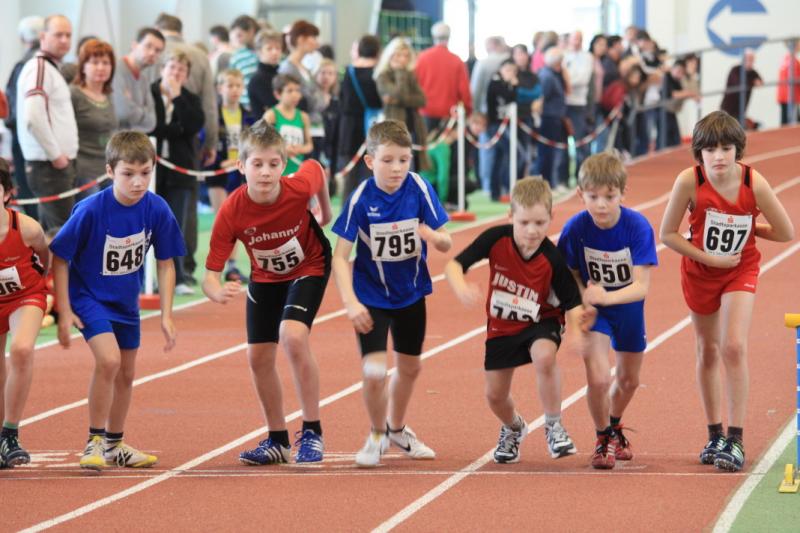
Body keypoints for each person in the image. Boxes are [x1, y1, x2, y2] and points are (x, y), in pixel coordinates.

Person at [659, 111, 795, 472]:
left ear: (738, 150)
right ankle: (714, 433)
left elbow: (786, 232)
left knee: (733, 346)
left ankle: (736, 439)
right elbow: (667, 234)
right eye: (710, 150)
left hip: (739, 268)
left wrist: (750, 227)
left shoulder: (753, 182)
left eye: (726, 148)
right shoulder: (689, 181)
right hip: (700, 271)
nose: (718, 156)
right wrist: (708, 258)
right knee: (707, 350)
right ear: (699, 153)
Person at [50, 131, 185, 472]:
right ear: (110, 171)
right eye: (128, 174)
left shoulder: (156, 208)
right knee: (109, 361)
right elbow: (60, 257)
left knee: (126, 373)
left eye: (145, 173)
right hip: (88, 296)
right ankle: (94, 440)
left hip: (126, 300)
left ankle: (114, 443)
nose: (138, 182)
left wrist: (167, 315)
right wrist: (64, 309)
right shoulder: (91, 210)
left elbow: (166, 263)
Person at [203, 119, 332, 465]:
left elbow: (316, 168)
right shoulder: (232, 210)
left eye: (273, 164)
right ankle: (278, 441)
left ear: (284, 164)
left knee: (292, 336)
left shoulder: (298, 188)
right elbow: (210, 275)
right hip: (265, 277)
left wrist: (326, 211)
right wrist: (215, 291)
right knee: (258, 357)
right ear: (241, 166)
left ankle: (312, 431)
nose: (265, 172)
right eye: (257, 164)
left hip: (309, 265)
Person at [331, 119, 452, 467]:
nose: (397, 168)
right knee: (374, 371)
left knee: (410, 368)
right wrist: (350, 303)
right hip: (371, 297)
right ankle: (376, 434)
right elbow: (340, 257)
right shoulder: (360, 198)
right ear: (370, 161)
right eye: (388, 160)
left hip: (411, 294)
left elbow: (446, 241)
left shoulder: (419, 187)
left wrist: (433, 236)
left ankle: (396, 428)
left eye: (403, 159)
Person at [445, 177, 581, 464]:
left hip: (541, 319)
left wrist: (577, 334)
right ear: (510, 216)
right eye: (524, 222)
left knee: (544, 357)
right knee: (495, 396)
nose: (532, 231)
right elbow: (455, 265)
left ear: (551, 218)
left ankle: (554, 426)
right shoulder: (496, 239)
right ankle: (513, 427)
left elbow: (573, 302)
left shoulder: (551, 258)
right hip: (502, 326)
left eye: (540, 223)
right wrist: (461, 287)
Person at [556, 153, 657, 469]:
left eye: (609, 197)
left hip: (628, 311)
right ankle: (602, 438)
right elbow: (569, 273)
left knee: (628, 380)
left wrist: (605, 296)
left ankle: (614, 425)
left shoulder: (637, 227)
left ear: (623, 193)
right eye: (593, 197)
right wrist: (584, 299)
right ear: (580, 194)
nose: (601, 205)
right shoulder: (575, 228)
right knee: (599, 380)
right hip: (596, 315)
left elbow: (641, 286)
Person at [0, 158, 50, 469]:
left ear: (7, 194)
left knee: (20, 349)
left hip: (25, 295)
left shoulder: (27, 228)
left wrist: (45, 285)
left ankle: (10, 434)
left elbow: (44, 255)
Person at [16, 14, 78, 232]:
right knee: (64, 234)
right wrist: (56, 156)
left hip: (54, 166)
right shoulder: (39, 68)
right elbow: (33, 117)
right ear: (43, 36)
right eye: (58, 34)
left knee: (53, 234)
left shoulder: (50, 68)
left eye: (68, 35)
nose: (64, 40)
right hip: (49, 167)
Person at [150, 50, 205, 296]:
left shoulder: (190, 99)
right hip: (152, 170)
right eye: (172, 67)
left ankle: (178, 277)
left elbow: (193, 125)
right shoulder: (150, 92)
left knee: (175, 224)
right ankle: (146, 279)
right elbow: (151, 126)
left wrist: (177, 98)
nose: (175, 73)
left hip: (180, 171)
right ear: (162, 69)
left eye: (181, 70)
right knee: (147, 224)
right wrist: (175, 129)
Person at [210, 69, 254, 283]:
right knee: (222, 220)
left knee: (236, 221)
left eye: (238, 86)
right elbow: (206, 142)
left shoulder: (247, 115)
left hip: (239, 173)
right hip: (218, 173)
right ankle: (215, 266)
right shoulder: (214, 114)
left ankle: (232, 266)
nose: (234, 90)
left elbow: (252, 143)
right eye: (230, 85)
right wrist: (221, 161)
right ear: (220, 88)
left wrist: (241, 161)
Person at [4, 16, 44, 219]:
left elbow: (10, 110)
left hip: (24, 139)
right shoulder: (47, 64)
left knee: (28, 189)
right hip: (42, 141)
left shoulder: (24, 65)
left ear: (22, 38)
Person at [71, 39, 119, 199]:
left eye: (106, 63)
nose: (101, 67)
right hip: (83, 170)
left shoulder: (108, 95)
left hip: (107, 167)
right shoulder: (74, 94)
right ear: (83, 66)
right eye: (95, 62)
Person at [375, 37, 430, 172]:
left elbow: (422, 100)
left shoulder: (410, 75)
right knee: (398, 169)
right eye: (399, 55)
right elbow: (399, 93)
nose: (403, 59)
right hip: (394, 129)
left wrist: (398, 101)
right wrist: (400, 73)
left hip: (414, 128)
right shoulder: (383, 76)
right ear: (390, 55)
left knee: (413, 170)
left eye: (406, 56)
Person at [337, 35, 382, 200]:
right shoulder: (378, 73)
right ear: (377, 51)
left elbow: (342, 100)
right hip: (371, 126)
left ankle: (348, 211)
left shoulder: (348, 72)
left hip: (349, 128)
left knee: (350, 176)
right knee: (370, 173)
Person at [414, 22, 472, 132]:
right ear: (449, 37)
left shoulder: (421, 58)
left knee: (425, 143)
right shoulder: (456, 61)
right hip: (449, 115)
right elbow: (464, 91)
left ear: (433, 37)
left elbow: (414, 85)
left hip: (424, 112)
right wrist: (467, 111)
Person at [113, 28, 165, 133]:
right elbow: (123, 112)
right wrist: (143, 111)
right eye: (148, 46)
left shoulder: (143, 80)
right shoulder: (115, 70)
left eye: (157, 50)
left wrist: (132, 107)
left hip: (133, 140)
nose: (152, 53)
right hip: (113, 140)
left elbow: (152, 122)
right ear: (134, 45)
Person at [264, 74, 313, 176]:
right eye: (290, 91)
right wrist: (282, 149)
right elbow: (262, 144)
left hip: (297, 172)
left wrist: (299, 149)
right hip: (276, 173)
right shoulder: (271, 116)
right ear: (278, 94)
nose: (295, 95)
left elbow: (309, 145)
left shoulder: (303, 117)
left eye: (297, 90)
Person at [720, 49, 762, 126]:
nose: (750, 62)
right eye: (748, 59)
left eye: (752, 60)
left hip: (741, 110)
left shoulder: (752, 72)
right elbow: (739, 83)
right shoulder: (735, 70)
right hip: (728, 108)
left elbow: (760, 82)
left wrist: (755, 81)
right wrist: (752, 82)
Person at [247, 30, 282, 120]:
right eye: (269, 49)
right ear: (259, 51)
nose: (275, 52)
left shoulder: (281, 74)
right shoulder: (257, 80)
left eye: (278, 48)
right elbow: (277, 106)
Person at [228, 15, 260, 110]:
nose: (237, 40)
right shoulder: (237, 56)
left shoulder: (266, 53)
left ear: (251, 32)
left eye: (239, 35)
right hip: (245, 106)